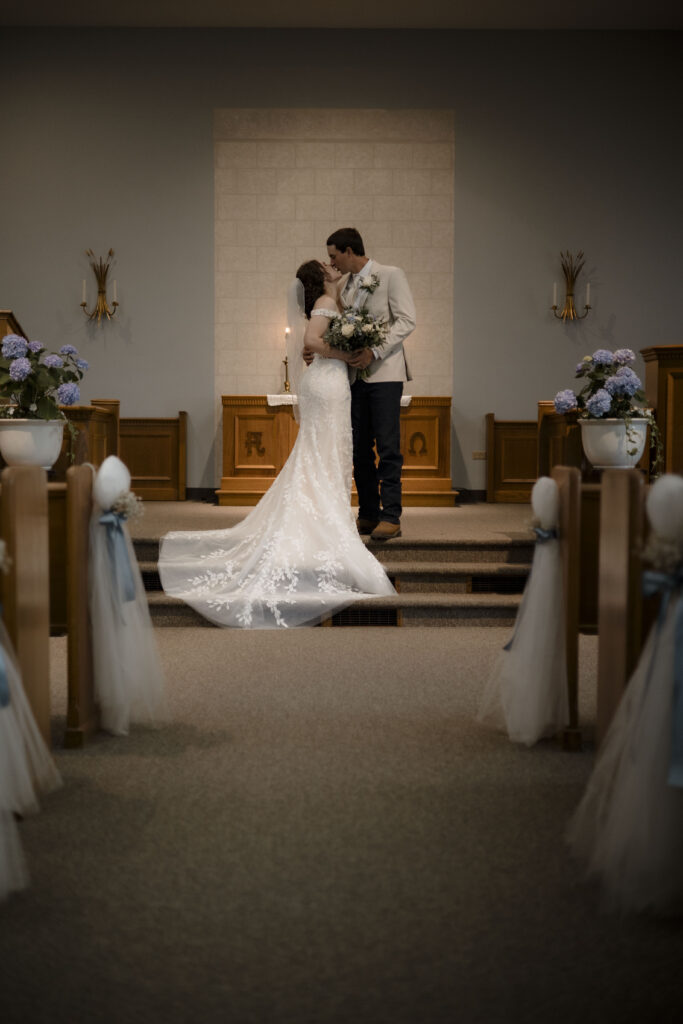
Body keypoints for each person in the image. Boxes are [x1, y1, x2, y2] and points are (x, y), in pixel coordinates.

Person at [158, 260, 396, 629]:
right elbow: (311, 341)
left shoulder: (335, 302)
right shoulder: (327, 303)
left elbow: (318, 342)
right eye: (326, 265)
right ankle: (325, 523)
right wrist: (344, 354)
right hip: (327, 385)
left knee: (324, 455)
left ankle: (326, 519)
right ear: (320, 278)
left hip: (331, 383)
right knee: (324, 454)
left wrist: (344, 350)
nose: (332, 266)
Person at [325, 227, 416, 541]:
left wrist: (374, 351)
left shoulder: (390, 275)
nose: (332, 263)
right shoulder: (344, 285)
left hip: (385, 374)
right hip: (354, 377)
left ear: (349, 251)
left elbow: (406, 320)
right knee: (360, 448)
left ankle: (391, 516)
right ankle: (368, 512)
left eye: (334, 256)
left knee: (388, 447)